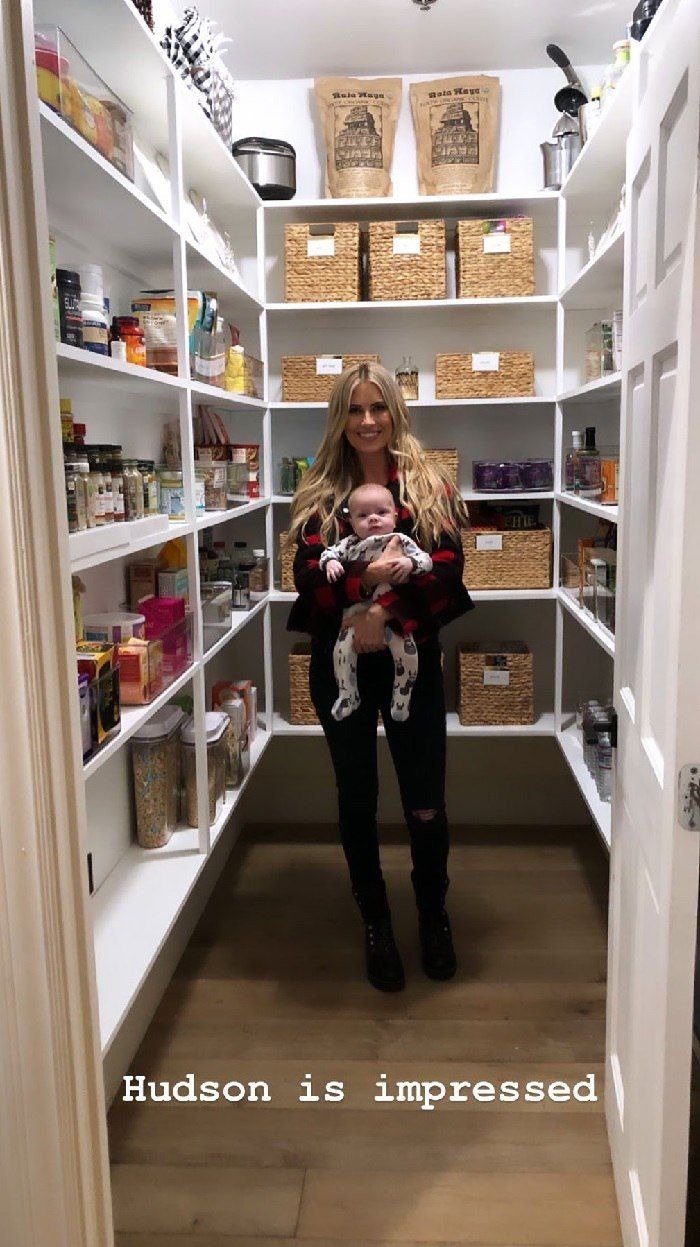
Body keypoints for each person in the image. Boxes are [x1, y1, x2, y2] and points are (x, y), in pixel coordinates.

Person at [287, 362, 473, 992]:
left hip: (411, 665)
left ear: (396, 410)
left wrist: (381, 614)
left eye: (378, 408)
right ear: (340, 416)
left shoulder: (429, 488)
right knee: (357, 796)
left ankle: (433, 913)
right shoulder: (319, 494)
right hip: (338, 667)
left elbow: (447, 581)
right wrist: (367, 589)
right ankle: (376, 922)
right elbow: (309, 584)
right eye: (355, 409)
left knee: (425, 797)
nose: (367, 421)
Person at [319, 482, 434, 723]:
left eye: (381, 513)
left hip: (394, 613)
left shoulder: (401, 540)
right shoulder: (349, 543)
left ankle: (402, 696)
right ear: (351, 523)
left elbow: (426, 561)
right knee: (341, 651)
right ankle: (348, 694)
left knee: (408, 654)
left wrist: (410, 564)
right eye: (363, 515)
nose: (373, 519)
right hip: (355, 614)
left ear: (394, 515)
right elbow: (327, 553)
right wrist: (330, 563)